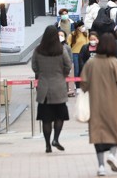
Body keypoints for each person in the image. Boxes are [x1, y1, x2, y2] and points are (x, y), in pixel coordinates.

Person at [80, 33, 117, 176]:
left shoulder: (91, 63)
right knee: (116, 131)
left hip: (96, 103)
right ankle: (112, 155)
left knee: (98, 134)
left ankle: (101, 166)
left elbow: (83, 83)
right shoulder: (114, 63)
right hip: (114, 103)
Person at [31, 25, 72, 153]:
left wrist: (41, 74)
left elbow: (34, 67)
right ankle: (56, 139)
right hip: (58, 86)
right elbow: (68, 65)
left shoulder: (38, 50)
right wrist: (62, 74)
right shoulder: (61, 50)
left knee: (46, 118)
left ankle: (47, 145)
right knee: (60, 115)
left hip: (44, 88)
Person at [67, 20, 88, 91]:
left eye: (83, 26)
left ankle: (82, 83)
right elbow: (68, 45)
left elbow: (87, 44)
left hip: (83, 54)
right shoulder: (72, 35)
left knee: (83, 69)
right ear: (78, 27)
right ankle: (76, 84)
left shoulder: (85, 34)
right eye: (82, 26)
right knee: (76, 69)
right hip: (75, 54)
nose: (83, 27)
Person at [58, 30, 75, 97]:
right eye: (58, 35)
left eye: (62, 35)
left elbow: (70, 58)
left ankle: (67, 91)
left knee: (66, 80)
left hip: (65, 67)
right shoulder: (52, 47)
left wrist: (70, 66)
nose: (60, 37)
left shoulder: (67, 47)